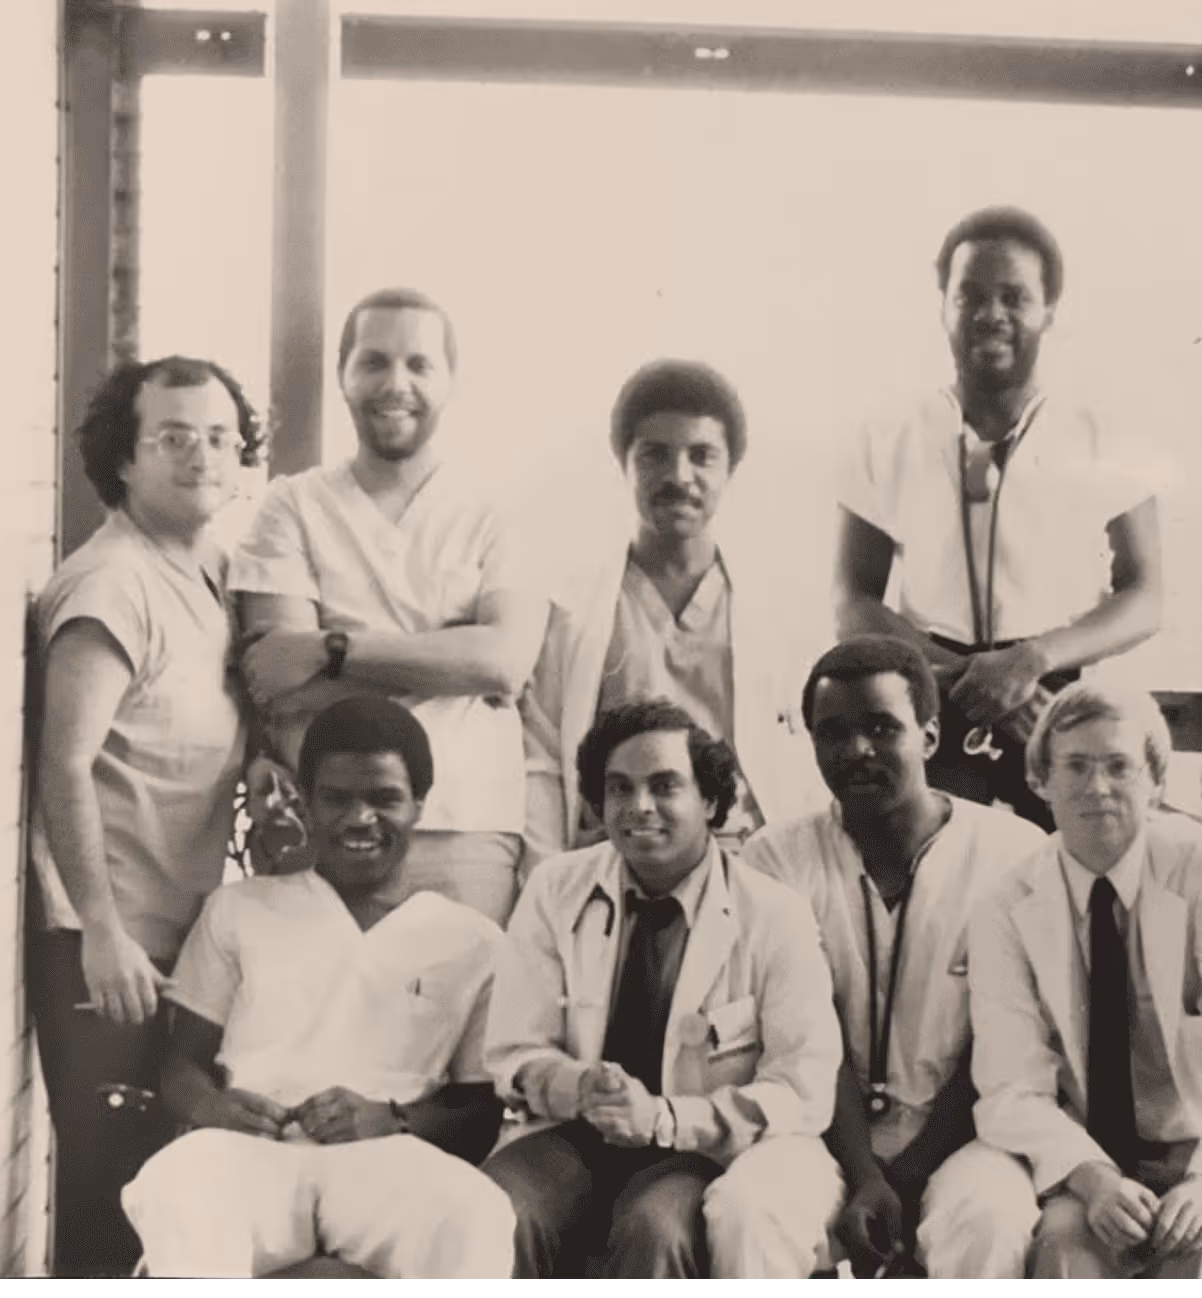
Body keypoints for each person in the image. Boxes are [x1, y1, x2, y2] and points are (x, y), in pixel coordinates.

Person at [120, 697, 515, 1279]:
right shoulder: (240, 909)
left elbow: (480, 1110)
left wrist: (393, 1118)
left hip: (386, 1160)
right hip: (250, 1152)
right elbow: (181, 1065)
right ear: (305, 801)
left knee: (476, 1212)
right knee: (175, 1187)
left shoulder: (473, 940)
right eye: (337, 798)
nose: (359, 819)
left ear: (420, 806)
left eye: (384, 799)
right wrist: (212, 1106)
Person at [27, 355, 260, 1277]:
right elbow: (63, 765)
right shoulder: (113, 583)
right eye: (172, 436)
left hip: (179, 941)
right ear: (122, 458)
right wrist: (99, 932)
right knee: (108, 1198)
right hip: (112, 950)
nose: (201, 455)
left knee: (162, 1200)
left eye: (219, 437)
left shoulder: (209, 573)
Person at [483, 699, 843, 1278]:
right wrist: (583, 1086)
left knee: (655, 1228)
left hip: (699, 1146)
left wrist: (662, 1118)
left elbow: (802, 1089)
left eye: (664, 786)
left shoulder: (776, 915)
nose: (639, 807)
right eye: (619, 789)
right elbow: (512, 1050)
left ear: (710, 800)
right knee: (498, 1209)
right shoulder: (555, 888)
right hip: (575, 1133)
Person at [835, 206, 1161, 830]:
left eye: (1015, 297)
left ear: (1050, 310)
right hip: (930, 687)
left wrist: (1031, 662)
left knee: (1079, 884)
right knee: (943, 890)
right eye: (971, 296)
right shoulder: (886, 434)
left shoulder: (1106, 431)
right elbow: (852, 598)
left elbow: (1146, 594)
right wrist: (967, 680)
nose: (991, 314)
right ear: (943, 305)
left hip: (1053, 697)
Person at [230, 287, 546, 923]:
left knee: (464, 1011)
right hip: (329, 826)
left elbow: (505, 663)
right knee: (325, 1018)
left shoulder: (498, 511)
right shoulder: (291, 507)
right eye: (373, 362)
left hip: (469, 829)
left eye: (419, 365)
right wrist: (449, 656)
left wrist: (332, 647)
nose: (395, 383)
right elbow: (279, 685)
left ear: (451, 381)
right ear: (343, 374)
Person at [739, 636, 1046, 1278]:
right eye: (833, 733)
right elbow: (799, 1035)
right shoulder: (774, 858)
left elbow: (1005, 1042)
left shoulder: (1015, 852)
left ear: (930, 736)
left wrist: (907, 1174)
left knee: (991, 1218)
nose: (857, 751)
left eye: (882, 727)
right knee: (750, 1210)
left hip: (969, 1132)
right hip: (821, 1133)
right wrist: (864, 1175)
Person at [522, 359, 825, 870]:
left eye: (702, 456)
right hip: (613, 861)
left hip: (743, 859)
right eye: (655, 456)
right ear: (625, 464)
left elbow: (804, 766)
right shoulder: (574, 611)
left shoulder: (779, 612)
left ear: (731, 468)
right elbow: (543, 759)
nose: (679, 477)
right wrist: (546, 878)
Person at [970, 683, 1202, 1278]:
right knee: (1067, 1249)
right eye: (1075, 766)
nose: (1096, 788)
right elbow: (1009, 1083)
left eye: (1119, 765)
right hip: (1086, 1158)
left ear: (1155, 781)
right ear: (1039, 781)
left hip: (1194, 1150)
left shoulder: (1197, 873)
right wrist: (1094, 1179)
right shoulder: (1004, 901)